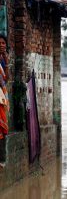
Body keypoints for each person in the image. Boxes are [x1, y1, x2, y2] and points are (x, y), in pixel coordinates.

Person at [0, 35, 9, 166]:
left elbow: (6, 79)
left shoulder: (3, 59)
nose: (2, 45)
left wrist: (6, 60)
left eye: (3, 43)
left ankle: (1, 160)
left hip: (2, 97)